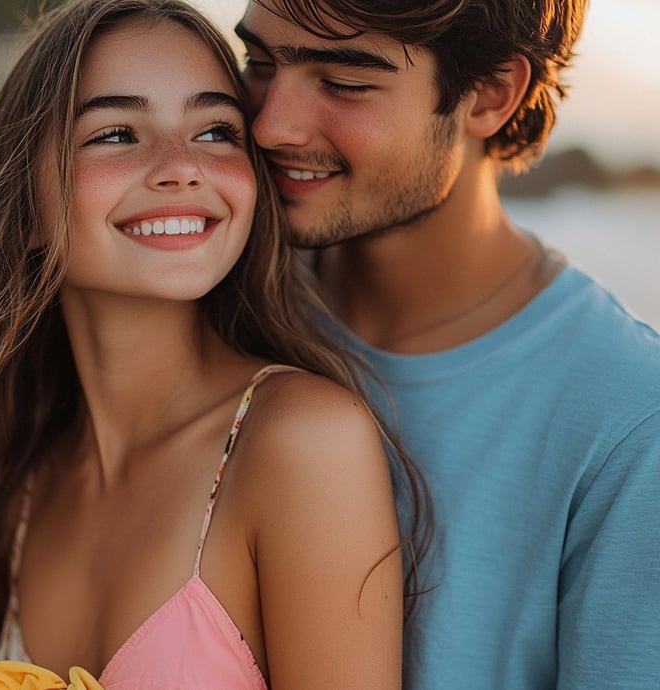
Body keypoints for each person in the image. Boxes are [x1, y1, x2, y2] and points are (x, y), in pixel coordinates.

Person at [0, 1, 431, 688]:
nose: (181, 168)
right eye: (117, 134)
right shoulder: (12, 485)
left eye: (214, 131)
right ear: (25, 205)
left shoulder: (301, 444)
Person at [234, 0, 660, 688]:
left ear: (490, 95)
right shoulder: (214, 306)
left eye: (344, 83)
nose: (269, 124)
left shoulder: (631, 425)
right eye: (258, 63)